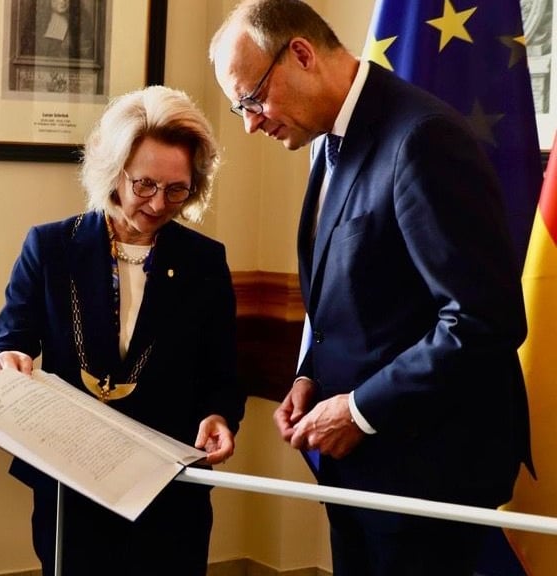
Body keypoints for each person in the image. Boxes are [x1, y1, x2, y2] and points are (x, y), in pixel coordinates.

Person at [209, 1, 533, 575]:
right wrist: (312, 374)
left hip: (428, 475)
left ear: (302, 54)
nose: (250, 122)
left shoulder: (423, 140)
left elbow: (483, 321)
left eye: (253, 98)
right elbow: (355, 303)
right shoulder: (331, 138)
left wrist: (358, 410)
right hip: (361, 472)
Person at [0, 85, 245, 576]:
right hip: (72, 487)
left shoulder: (204, 261)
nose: (158, 203)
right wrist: (5, 363)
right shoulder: (51, 246)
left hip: (170, 492)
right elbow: (9, 341)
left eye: (177, 189)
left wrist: (219, 418)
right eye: (144, 184)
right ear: (113, 170)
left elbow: (222, 375)